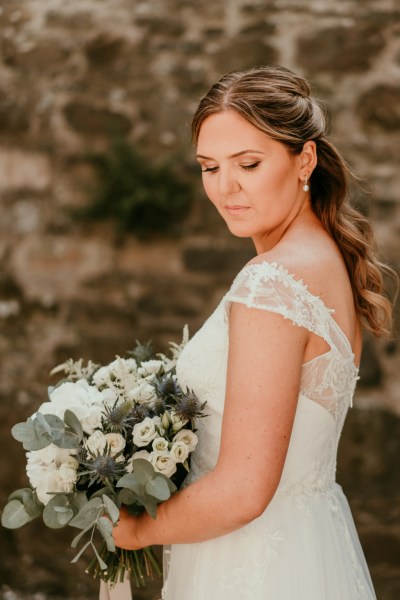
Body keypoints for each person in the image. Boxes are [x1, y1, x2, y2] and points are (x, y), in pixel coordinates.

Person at [113, 65, 396, 599]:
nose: (225, 188)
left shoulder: (273, 282)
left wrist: (133, 529)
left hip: (252, 564)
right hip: (307, 544)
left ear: (303, 159)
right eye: (209, 166)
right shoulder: (325, 261)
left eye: (248, 163)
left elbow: (244, 490)